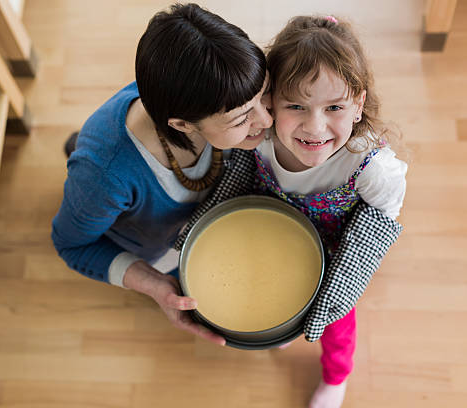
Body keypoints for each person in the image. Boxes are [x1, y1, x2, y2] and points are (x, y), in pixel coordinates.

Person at [51, 3, 273, 346]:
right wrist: (154, 284)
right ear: (182, 125)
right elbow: (71, 245)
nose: (267, 121)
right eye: (243, 118)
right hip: (157, 247)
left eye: (264, 96)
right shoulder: (104, 174)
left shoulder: (200, 90)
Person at [254, 15, 407, 407]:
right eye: (296, 105)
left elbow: (382, 217)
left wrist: (344, 281)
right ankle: (285, 326)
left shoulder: (370, 166)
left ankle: (337, 376)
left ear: (358, 105)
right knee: (272, 288)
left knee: (337, 323)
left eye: (334, 107)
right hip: (276, 237)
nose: (315, 127)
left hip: (334, 252)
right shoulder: (263, 136)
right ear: (270, 101)